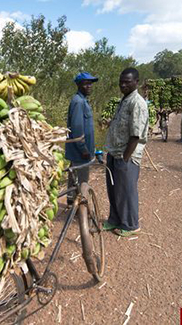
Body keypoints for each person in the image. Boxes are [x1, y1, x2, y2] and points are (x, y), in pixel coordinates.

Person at [104, 68, 149, 237]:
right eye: (121, 81)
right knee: (114, 189)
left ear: (136, 82)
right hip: (114, 152)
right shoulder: (124, 100)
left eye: (127, 82)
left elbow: (135, 135)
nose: (123, 85)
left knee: (126, 191)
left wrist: (124, 159)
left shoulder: (137, 102)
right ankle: (115, 219)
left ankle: (131, 224)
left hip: (127, 155)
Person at [65, 72, 98, 205]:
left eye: (90, 83)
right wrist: (84, 149)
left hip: (81, 150)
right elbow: (77, 128)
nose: (89, 86)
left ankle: (71, 202)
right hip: (80, 151)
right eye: (86, 83)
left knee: (74, 176)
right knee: (82, 180)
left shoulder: (83, 100)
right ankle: (81, 207)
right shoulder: (78, 102)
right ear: (78, 85)